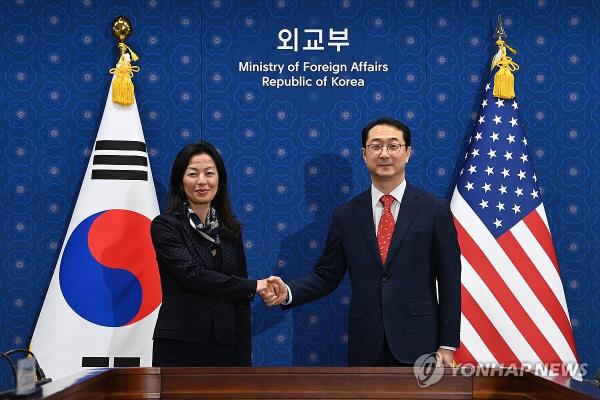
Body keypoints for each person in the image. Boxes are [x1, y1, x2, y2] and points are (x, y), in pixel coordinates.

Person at [262, 118, 461, 367]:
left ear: (408, 153)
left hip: (421, 343)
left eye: (393, 146)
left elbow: (450, 279)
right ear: (364, 154)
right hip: (366, 344)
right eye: (376, 146)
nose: (384, 154)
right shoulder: (346, 214)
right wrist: (288, 292)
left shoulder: (434, 210)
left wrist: (447, 343)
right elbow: (326, 275)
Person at [150, 141, 274, 367]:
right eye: (192, 174)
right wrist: (253, 286)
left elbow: (240, 299)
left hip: (226, 346)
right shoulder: (165, 226)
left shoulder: (230, 231)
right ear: (180, 181)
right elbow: (192, 275)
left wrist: (244, 359)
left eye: (209, 173)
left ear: (219, 180)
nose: (201, 181)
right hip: (179, 345)